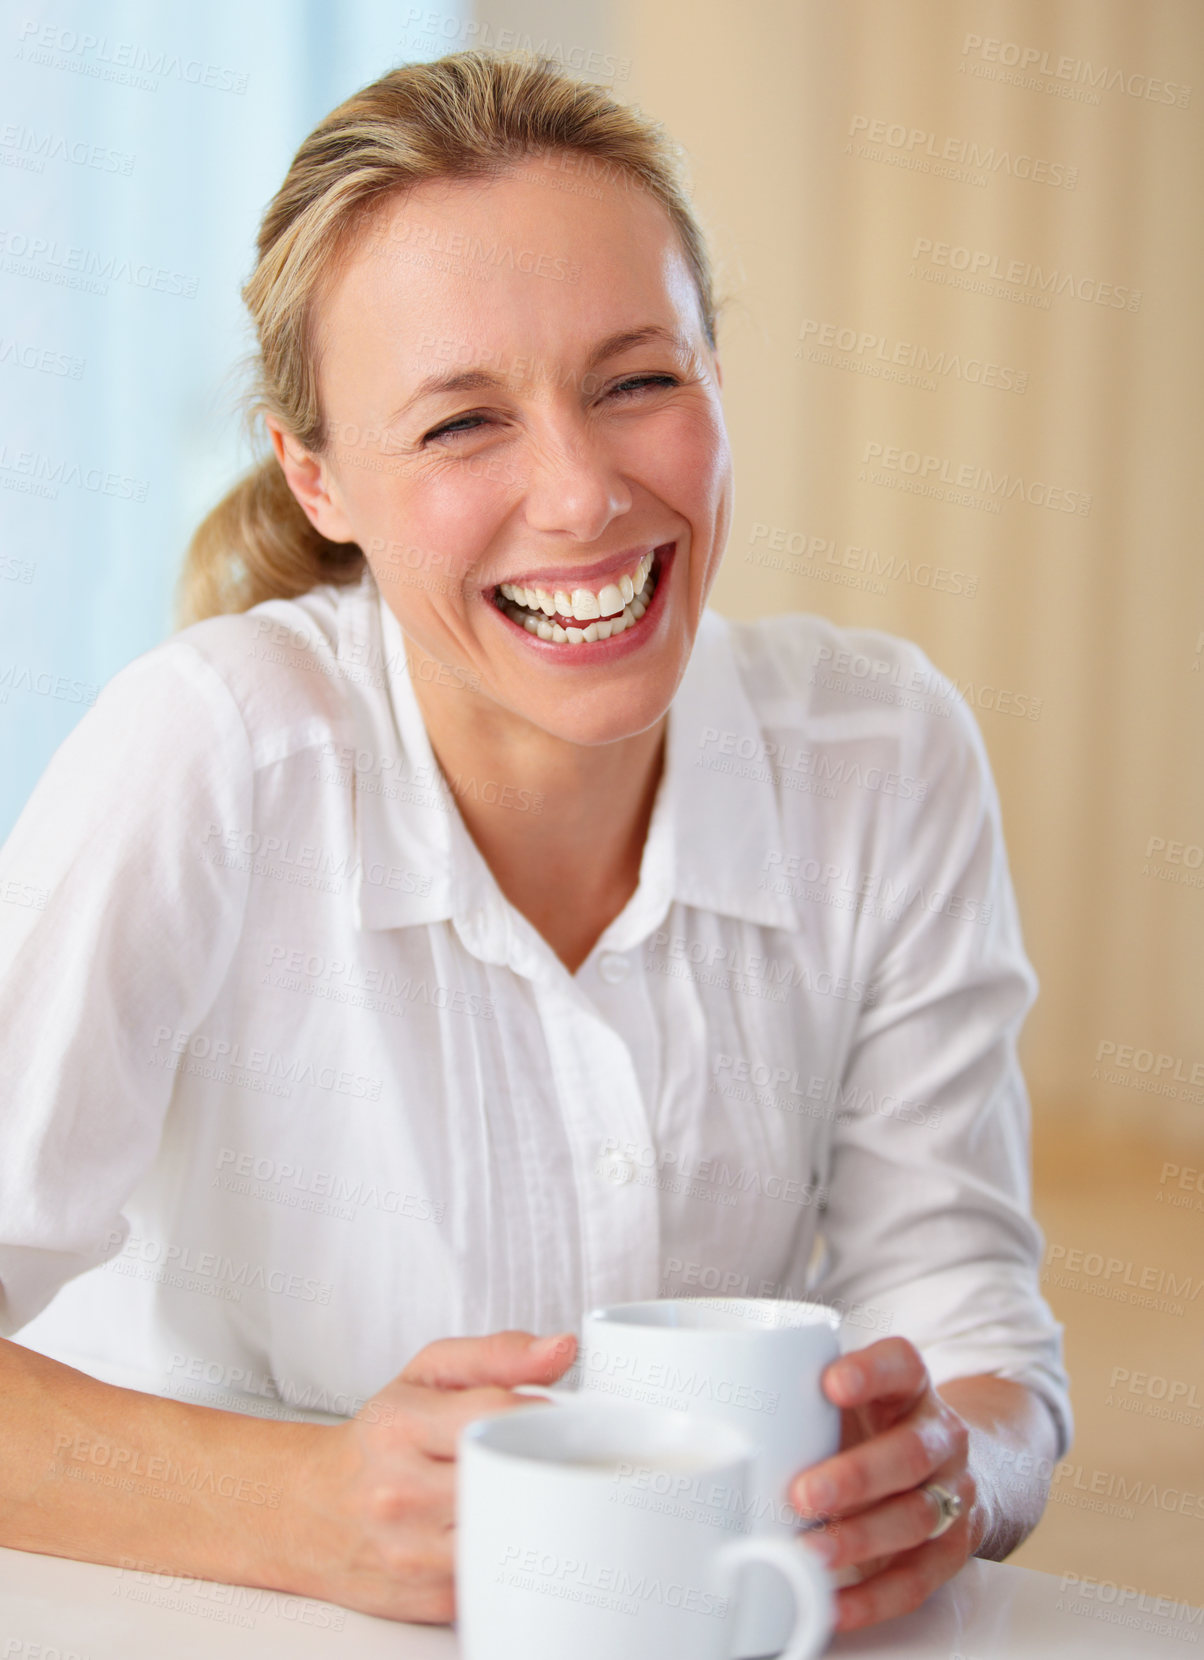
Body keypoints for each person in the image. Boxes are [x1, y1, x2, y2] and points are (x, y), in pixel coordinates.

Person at [0, 48, 1070, 1634]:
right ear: (319, 474)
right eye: (459, 424)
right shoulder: (207, 756)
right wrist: (302, 1507)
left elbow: (975, 1336)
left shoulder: (885, 758)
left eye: (639, 381)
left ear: (717, 374)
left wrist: (951, 1477)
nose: (580, 497)